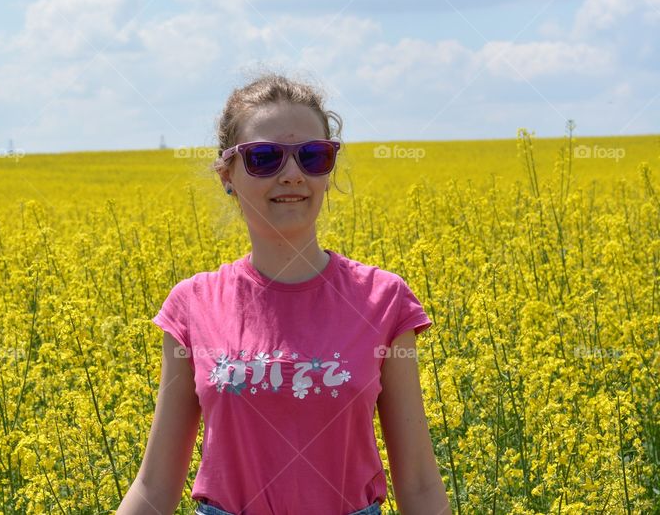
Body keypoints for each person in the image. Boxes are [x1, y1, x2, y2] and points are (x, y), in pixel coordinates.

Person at [117, 72, 451, 515]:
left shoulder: (382, 300)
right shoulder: (193, 305)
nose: (292, 174)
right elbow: (155, 487)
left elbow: (420, 485)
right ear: (226, 174)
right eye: (264, 157)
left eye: (313, 156)